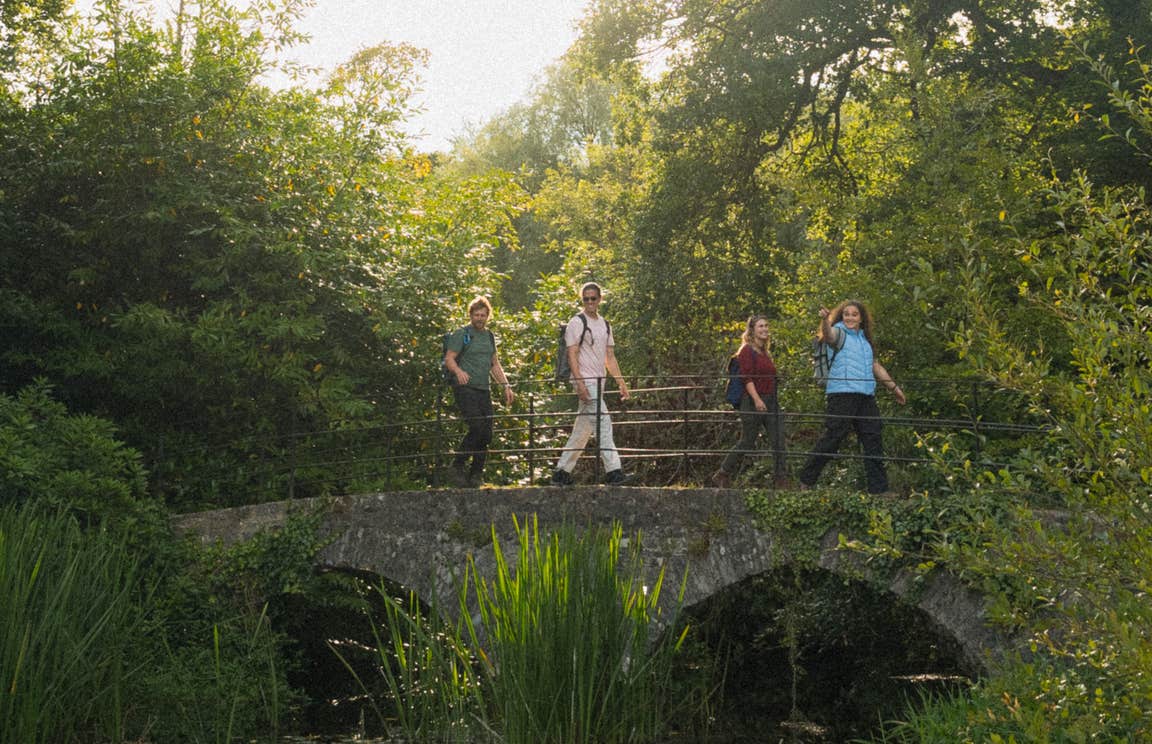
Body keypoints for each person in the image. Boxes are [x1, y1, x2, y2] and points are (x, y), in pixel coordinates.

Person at [798, 300, 906, 494]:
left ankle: (879, 490)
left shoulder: (864, 341)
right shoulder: (839, 333)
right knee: (833, 437)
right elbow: (829, 337)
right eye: (846, 314)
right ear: (841, 316)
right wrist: (825, 320)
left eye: (854, 314)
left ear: (861, 318)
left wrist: (894, 388)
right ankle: (806, 480)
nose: (849, 317)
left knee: (873, 438)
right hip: (842, 393)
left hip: (865, 395)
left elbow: (875, 366)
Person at [550, 282, 632, 486]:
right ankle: (614, 472)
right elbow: (572, 354)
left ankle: (561, 473)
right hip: (585, 381)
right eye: (585, 298)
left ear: (599, 299)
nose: (589, 302)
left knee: (582, 431)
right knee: (603, 423)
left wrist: (621, 382)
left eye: (593, 298)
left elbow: (610, 357)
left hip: (599, 382)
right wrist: (579, 384)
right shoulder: (577, 322)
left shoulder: (605, 324)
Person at [443, 296, 514, 486]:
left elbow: (495, 364)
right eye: (476, 315)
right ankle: (457, 465)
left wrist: (506, 385)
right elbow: (449, 358)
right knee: (477, 427)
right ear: (471, 315)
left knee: (487, 433)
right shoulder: (462, 334)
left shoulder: (489, 336)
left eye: (483, 315)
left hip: (484, 388)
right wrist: (458, 371)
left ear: (488, 316)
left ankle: (475, 475)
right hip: (465, 387)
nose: (480, 318)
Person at [712, 315, 788, 488]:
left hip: (771, 400)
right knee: (748, 440)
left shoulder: (765, 352)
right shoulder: (746, 350)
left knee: (778, 440)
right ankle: (722, 473)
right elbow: (747, 377)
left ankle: (781, 480)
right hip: (752, 400)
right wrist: (757, 400)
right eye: (761, 326)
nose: (765, 329)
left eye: (766, 326)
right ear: (752, 330)